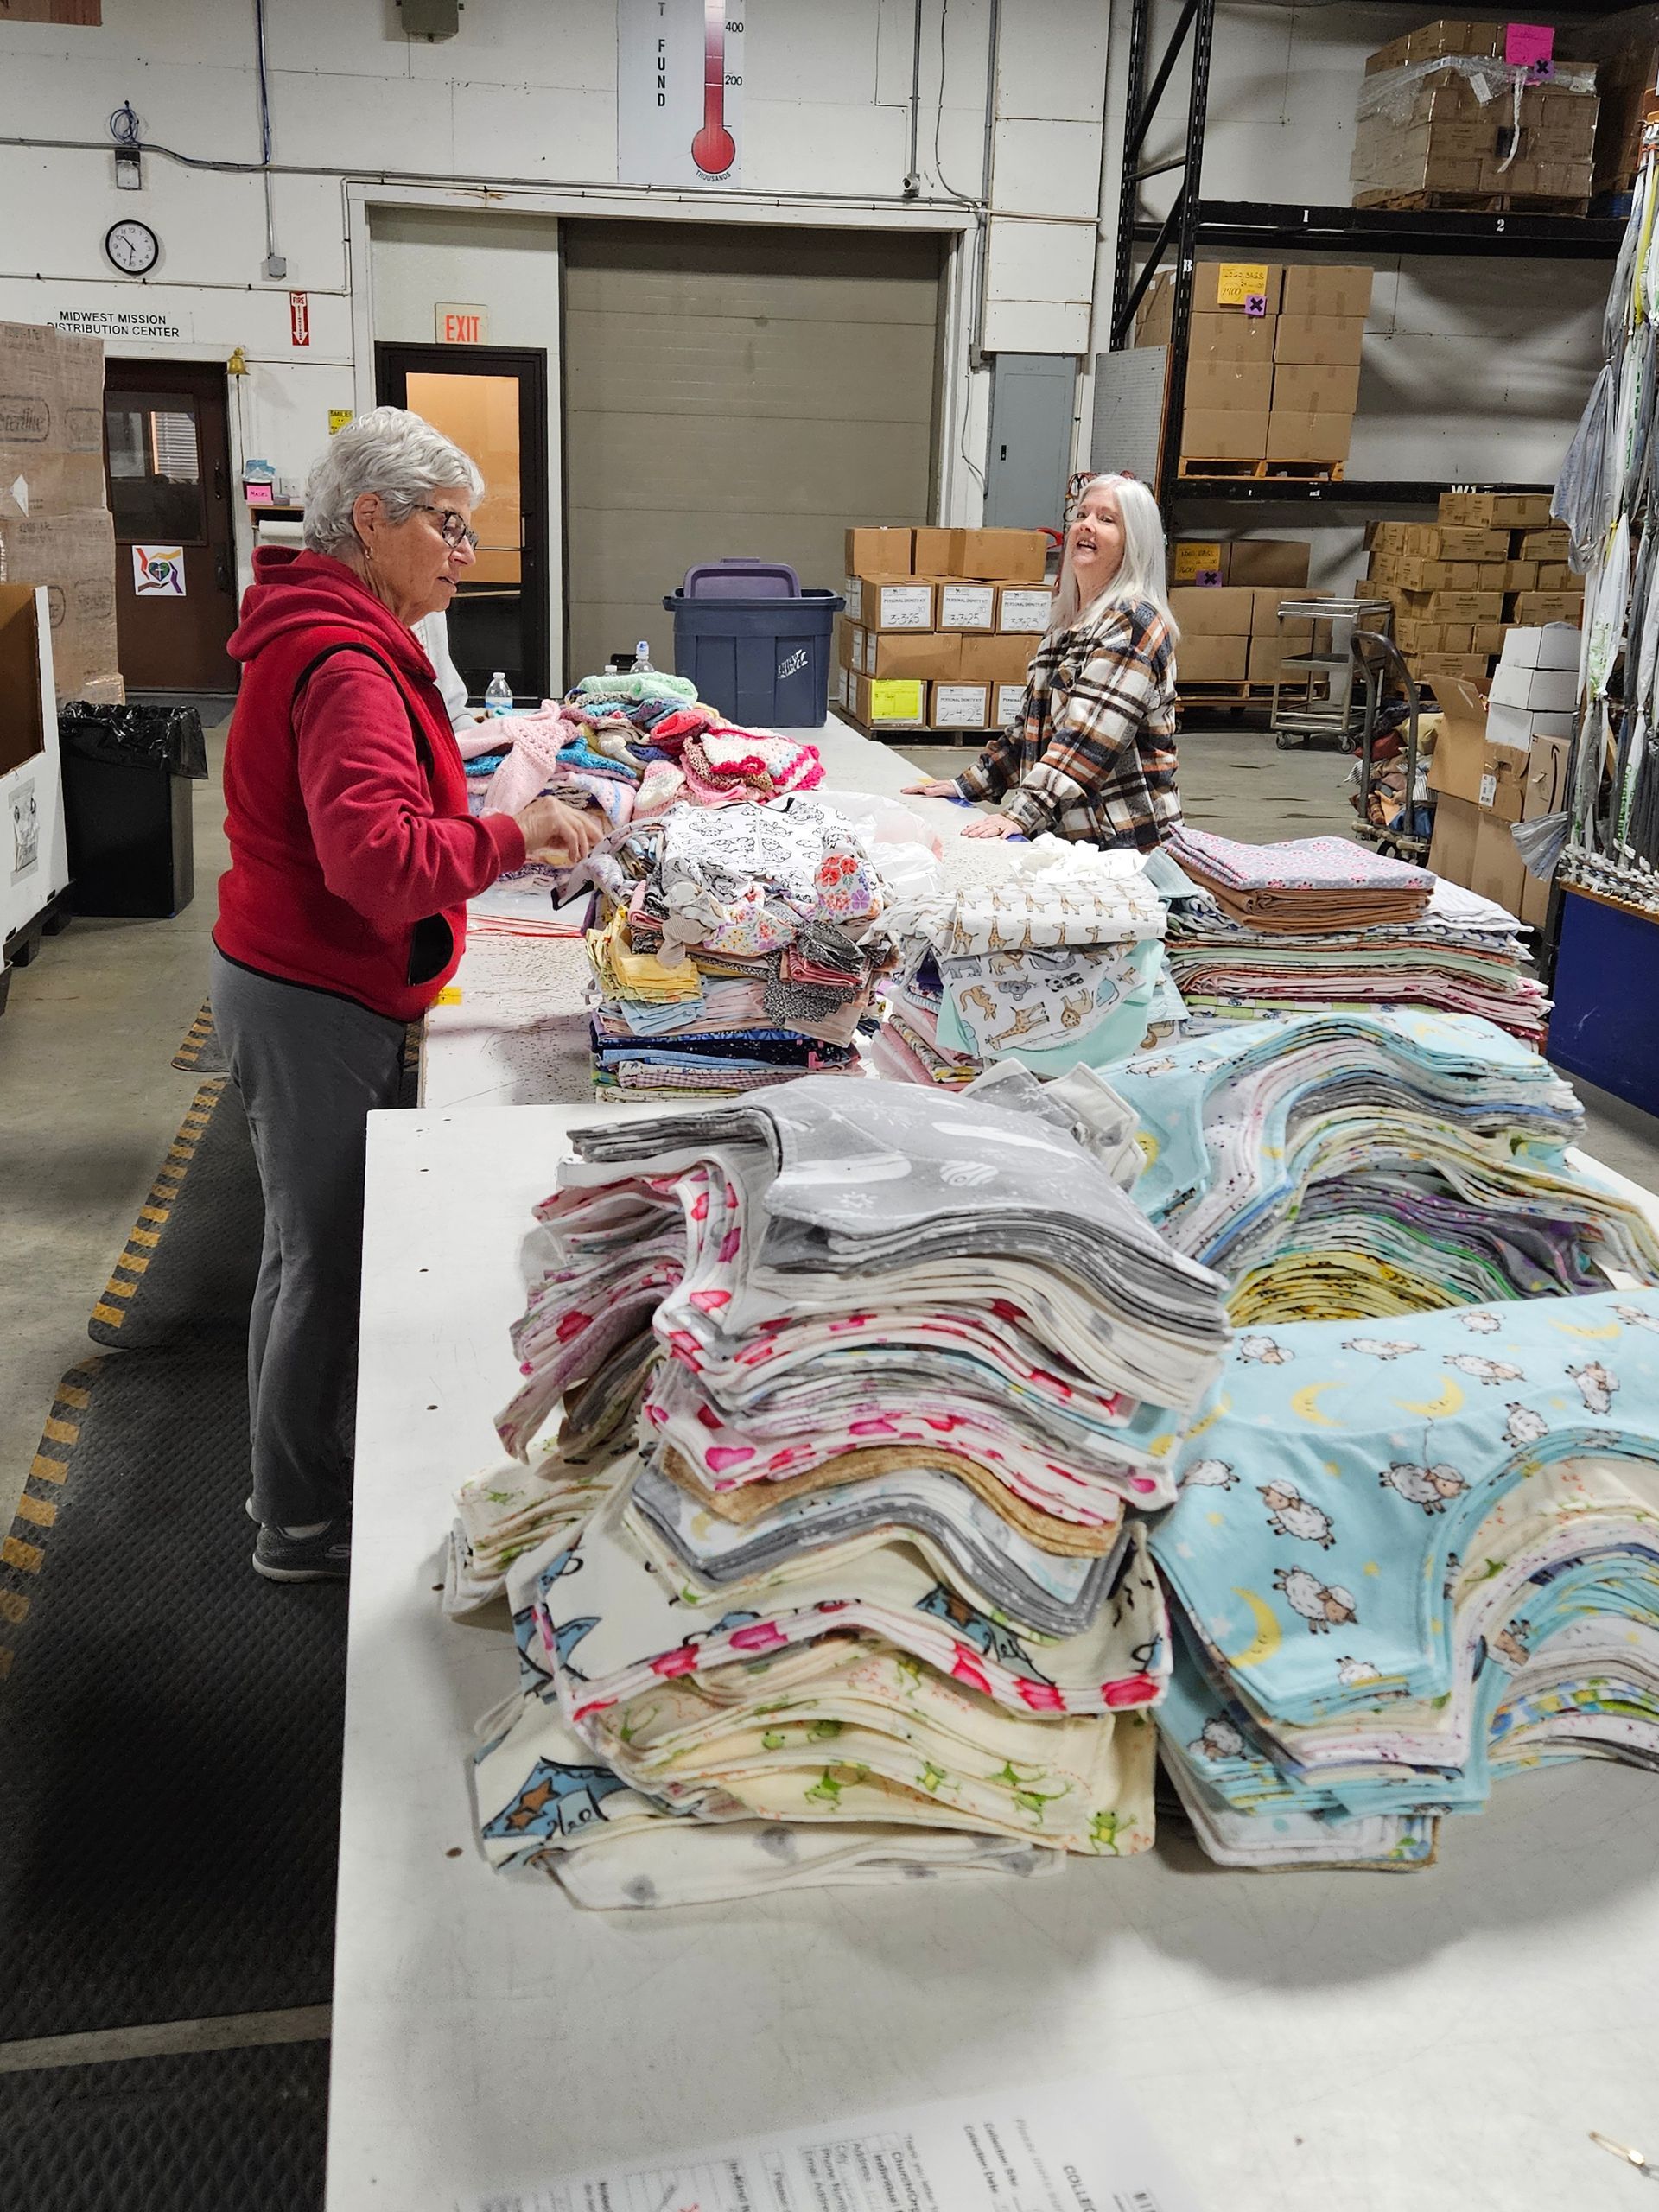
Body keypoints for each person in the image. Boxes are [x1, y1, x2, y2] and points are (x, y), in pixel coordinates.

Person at [211, 407, 601, 1584]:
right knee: (319, 1260)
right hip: (313, 993)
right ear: (372, 519)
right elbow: (376, 862)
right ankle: (298, 1523)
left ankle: (292, 1487)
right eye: (449, 525)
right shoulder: (344, 663)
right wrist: (513, 835)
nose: (464, 554)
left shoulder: (337, 634)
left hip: (306, 979)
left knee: (307, 1252)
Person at [903, 473, 1182, 849]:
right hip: (1069, 841)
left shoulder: (1132, 626)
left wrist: (1020, 814)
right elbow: (1029, 733)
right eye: (1082, 514)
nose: (1086, 525)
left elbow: (1086, 744)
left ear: (1135, 543)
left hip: (1124, 846)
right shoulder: (1067, 625)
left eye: (1106, 519)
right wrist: (966, 785)